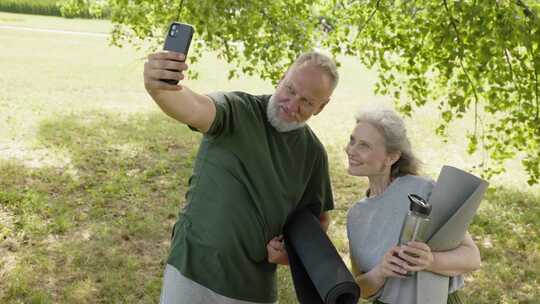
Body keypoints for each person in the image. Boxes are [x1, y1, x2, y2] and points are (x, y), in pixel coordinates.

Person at [143, 50, 339, 304]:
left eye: (307, 102)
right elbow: (193, 108)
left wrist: (289, 253)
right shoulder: (237, 110)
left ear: (322, 106)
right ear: (281, 78)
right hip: (191, 270)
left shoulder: (313, 154)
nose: (291, 105)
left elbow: (317, 221)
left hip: (252, 289)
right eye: (290, 90)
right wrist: (159, 89)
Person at [345, 108, 481, 303]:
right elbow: (360, 288)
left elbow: (471, 257)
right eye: (352, 140)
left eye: (364, 146)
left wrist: (431, 261)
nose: (351, 150)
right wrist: (380, 272)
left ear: (391, 157)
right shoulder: (355, 215)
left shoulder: (425, 191)